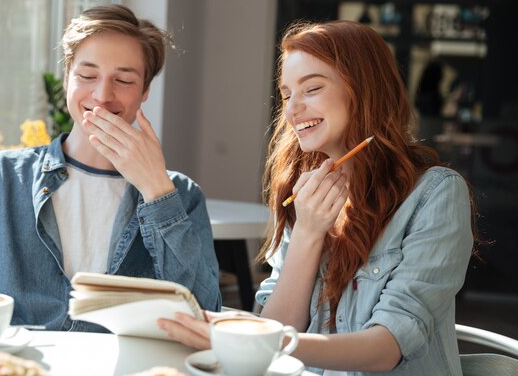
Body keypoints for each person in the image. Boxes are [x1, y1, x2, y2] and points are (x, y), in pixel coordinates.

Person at [158, 20, 475, 375]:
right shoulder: (302, 192)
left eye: (311, 89)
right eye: (286, 94)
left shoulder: (435, 194)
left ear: (363, 89)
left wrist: (249, 340)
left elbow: (385, 349)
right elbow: (277, 323)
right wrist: (308, 233)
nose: (292, 110)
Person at [0, 4, 221, 334]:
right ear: (67, 76)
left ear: (145, 90)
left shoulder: (180, 197)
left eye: (124, 79)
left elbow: (205, 319)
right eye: (87, 76)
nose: (102, 96)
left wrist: (157, 192)